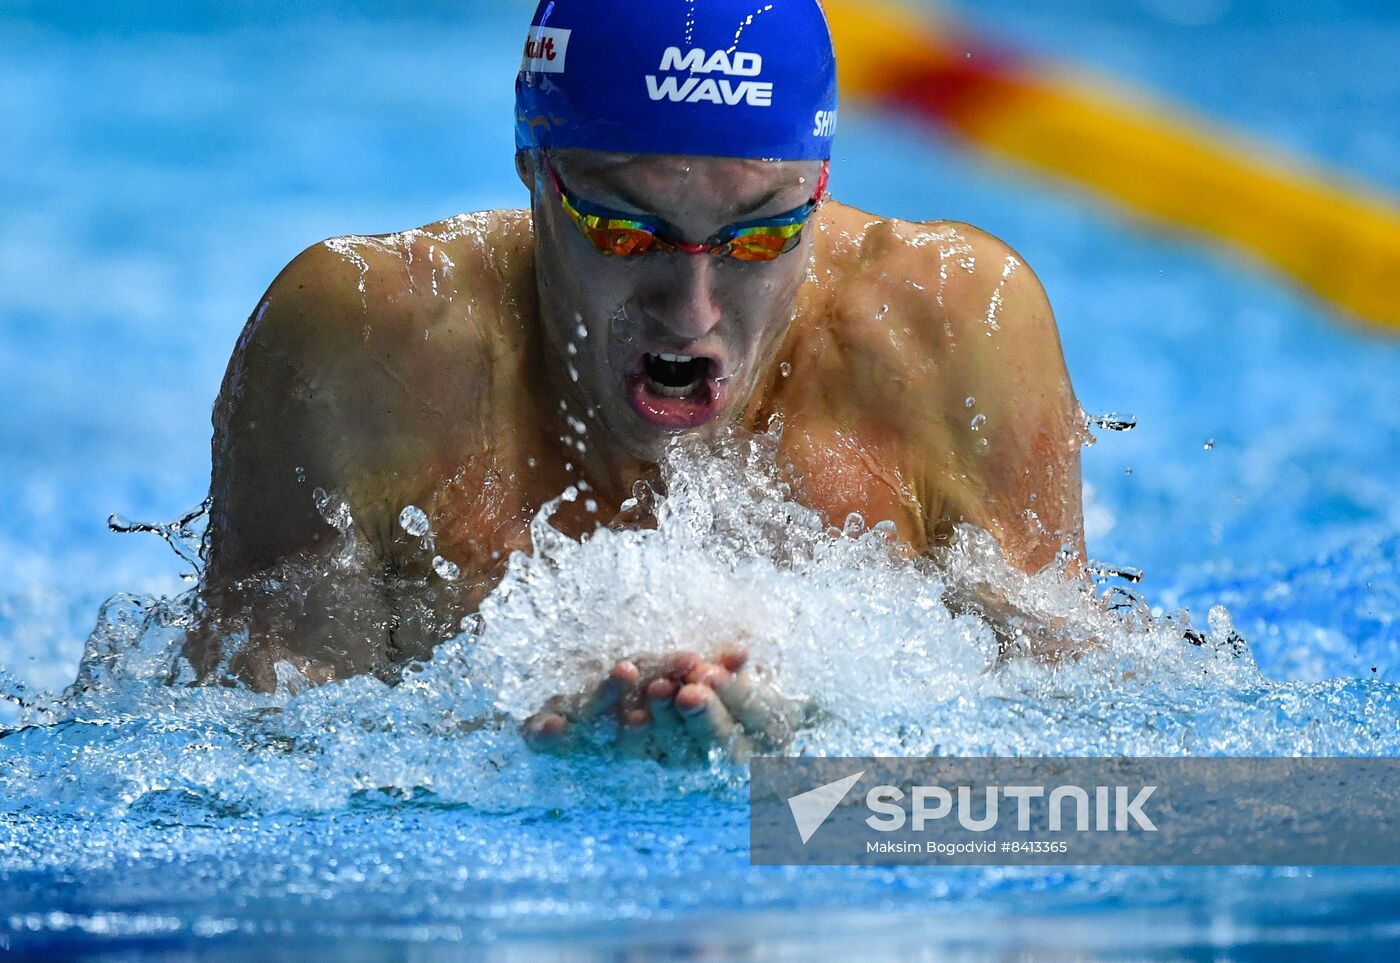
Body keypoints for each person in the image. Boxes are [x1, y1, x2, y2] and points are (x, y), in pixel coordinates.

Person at [189, 0, 1086, 759]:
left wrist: (818, 766)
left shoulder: (955, 334)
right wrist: (528, 764)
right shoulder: (365, 350)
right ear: (534, 171)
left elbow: (1087, 770)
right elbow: (250, 767)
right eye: (625, 233)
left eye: (764, 235)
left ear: (820, 184)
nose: (691, 311)